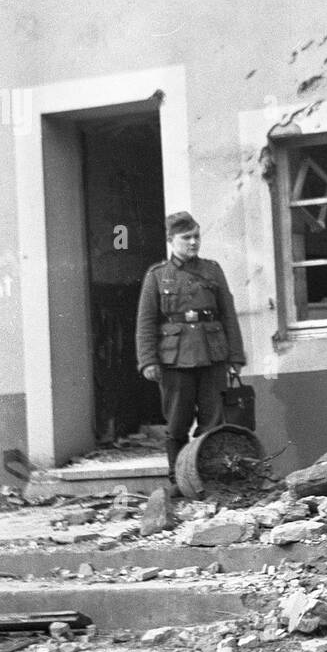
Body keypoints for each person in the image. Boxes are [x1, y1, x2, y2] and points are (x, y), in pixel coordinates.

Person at [135, 211, 246, 494]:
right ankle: (178, 480)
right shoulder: (157, 276)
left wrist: (235, 357)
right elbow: (146, 321)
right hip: (175, 360)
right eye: (187, 238)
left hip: (212, 355)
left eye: (197, 236)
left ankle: (209, 477)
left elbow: (228, 315)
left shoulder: (212, 270)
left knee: (213, 420)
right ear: (172, 240)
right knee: (177, 422)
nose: (194, 242)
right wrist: (148, 360)